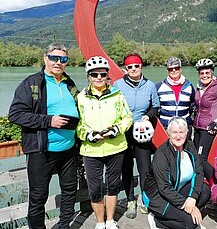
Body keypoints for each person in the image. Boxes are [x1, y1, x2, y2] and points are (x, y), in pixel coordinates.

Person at [8, 43, 79, 229]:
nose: (58, 62)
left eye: (63, 59)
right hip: (42, 150)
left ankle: (65, 225)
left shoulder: (69, 83)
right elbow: (15, 114)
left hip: (69, 149)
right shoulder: (32, 83)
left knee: (70, 190)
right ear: (45, 59)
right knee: (39, 196)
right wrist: (48, 121)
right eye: (54, 58)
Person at [76, 56, 132, 229]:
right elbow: (77, 124)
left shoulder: (117, 94)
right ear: (89, 76)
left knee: (112, 185)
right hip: (91, 150)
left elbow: (127, 118)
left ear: (108, 75)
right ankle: (100, 222)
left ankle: (110, 220)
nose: (99, 78)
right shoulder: (81, 97)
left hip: (115, 147)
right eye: (94, 75)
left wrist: (116, 129)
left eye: (102, 74)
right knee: (95, 188)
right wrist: (88, 135)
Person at [113, 53, 160, 218]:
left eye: (136, 66)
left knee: (145, 169)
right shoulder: (117, 85)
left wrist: (148, 115)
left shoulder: (150, 85)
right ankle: (130, 200)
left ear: (141, 67)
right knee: (125, 167)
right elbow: (113, 107)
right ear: (125, 69)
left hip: (142, 131)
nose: (133, 69)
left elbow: (155, 107)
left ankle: (146, 200)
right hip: (124, 132)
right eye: (130, 66)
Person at [142, 117, 211, 229]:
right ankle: (157, 220)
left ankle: (190, 216)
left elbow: (198, 172)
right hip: (158, 197)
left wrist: (192, 198)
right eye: (174, 132)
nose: (178, 136)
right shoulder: (162, 154)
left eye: (181, 132)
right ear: (168, 134)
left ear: (186, 133)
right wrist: (187, 204)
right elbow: (164, 188)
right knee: (190, 223)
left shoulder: (190, 146)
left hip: (177, 190)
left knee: (205, 190)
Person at [193, 58, 217, 180]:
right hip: (197, 128)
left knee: (200, 158)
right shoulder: (199, 87)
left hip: (209, 129)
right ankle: (201, 186)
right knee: (195, 158)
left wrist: (216, 122)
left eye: (207, 72)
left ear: (212, 72)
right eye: (201, 73)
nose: (204, 75)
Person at [156, 57, 195, 136]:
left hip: (184, 125)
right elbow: (155, 106)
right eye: (171, 69)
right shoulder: (159, 86)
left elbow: (192, 105)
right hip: (165, 126)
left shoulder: (189, 86)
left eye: (176, 68)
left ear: (180, 69)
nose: (174, 70)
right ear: (167, 71)